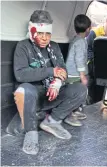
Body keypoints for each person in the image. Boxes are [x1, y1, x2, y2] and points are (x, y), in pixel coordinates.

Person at [13, 10, 87, 155]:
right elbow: (20, 75)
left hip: (52, 92)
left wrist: (57, 83)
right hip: (32, 95)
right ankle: (31, 133)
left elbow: (63, 70)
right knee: (24, 90)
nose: (45, 37)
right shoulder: (23, 46)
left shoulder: (54, 46)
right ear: (32, 30)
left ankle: (52, 121)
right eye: (40, 33)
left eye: (47, 34)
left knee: (80, 89)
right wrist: (50, 72)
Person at [86, 13, 107, 104]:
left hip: (103, 71)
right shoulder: (94, 33)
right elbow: (87, 49)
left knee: (99, 93)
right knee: (89, 92)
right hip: (91, 68)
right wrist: (95, 61)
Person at [65, 14, 92, 124]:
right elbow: (79, 59)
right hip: (74, 74)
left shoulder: (75, 39)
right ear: (88, 29)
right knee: (74, 94)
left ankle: (74, 111)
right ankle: (68, 115)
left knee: (73, 92)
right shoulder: (81, 42)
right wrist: (82, 75)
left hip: (70, 72)